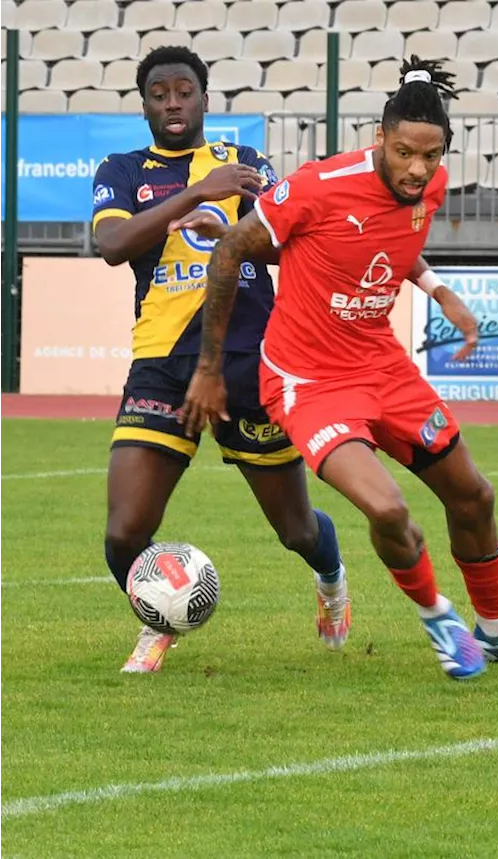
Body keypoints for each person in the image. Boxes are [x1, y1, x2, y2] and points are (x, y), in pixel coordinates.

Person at [183, 57, 498, 681]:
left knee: (474, 497)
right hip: (307, 382)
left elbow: (387, 248)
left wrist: (439, 289)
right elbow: (232, 248)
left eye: (432, 155)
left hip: (382, 366)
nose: (418, 169)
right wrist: (208, 368)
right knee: (389, 510)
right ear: (379, 140)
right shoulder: (318, 185)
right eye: (404, 153)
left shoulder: (429, 188)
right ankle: (439, 619)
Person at [91, 46, 355, 674]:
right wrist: (195, 196)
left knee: (295, 529)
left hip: (246, 360)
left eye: (185, 91)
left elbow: (288, 244)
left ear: (205, 98)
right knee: (124, 532)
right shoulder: (124, 168)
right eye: (159, 94)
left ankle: (332, 579)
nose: (173, 103)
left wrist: (231, 231)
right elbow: (111, 243)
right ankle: (159, 620)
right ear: (146, 104)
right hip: (160, 362)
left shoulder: (242, 164)